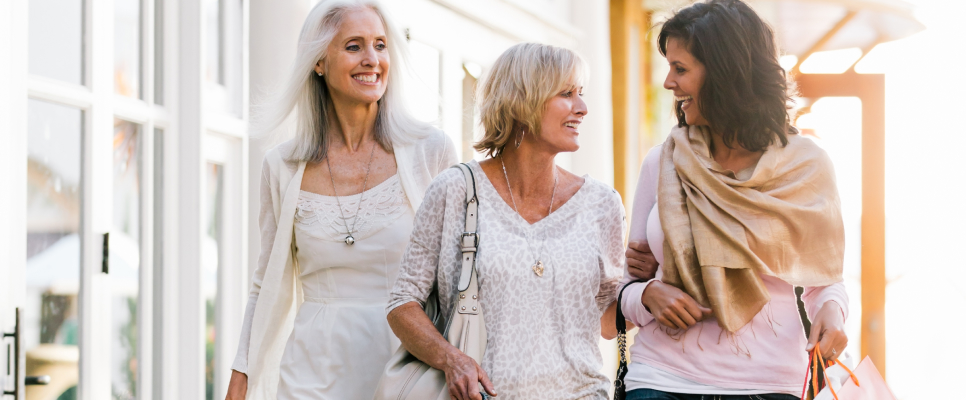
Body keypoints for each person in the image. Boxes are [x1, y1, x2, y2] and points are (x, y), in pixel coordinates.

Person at [224, 1, 457, 399]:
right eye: (354, 46)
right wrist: (240, 379)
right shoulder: (282, 165)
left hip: (406, 367)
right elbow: (265, 283)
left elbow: (457, 276)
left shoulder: (430, 151)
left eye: (380, 45)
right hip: (309, 374)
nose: (372, 60)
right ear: (318, 62)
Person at [618, 1, 849, 399]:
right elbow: (628, 289)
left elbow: (824, 283)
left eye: (681, 69)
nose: (668, 83)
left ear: (724, 74)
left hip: (769, 383)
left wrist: (833, 312)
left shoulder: (806, 168)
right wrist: (647, 295)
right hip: (661, 380)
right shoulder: (663, 163)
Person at [386, 43, 625, 400]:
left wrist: (647, 283)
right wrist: (452, 359)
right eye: (566, 94)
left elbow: (608, 322)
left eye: (581, 94)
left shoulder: (601, 204)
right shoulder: (456, 191)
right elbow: (402, 303)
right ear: (522, 100)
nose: (582, 107)